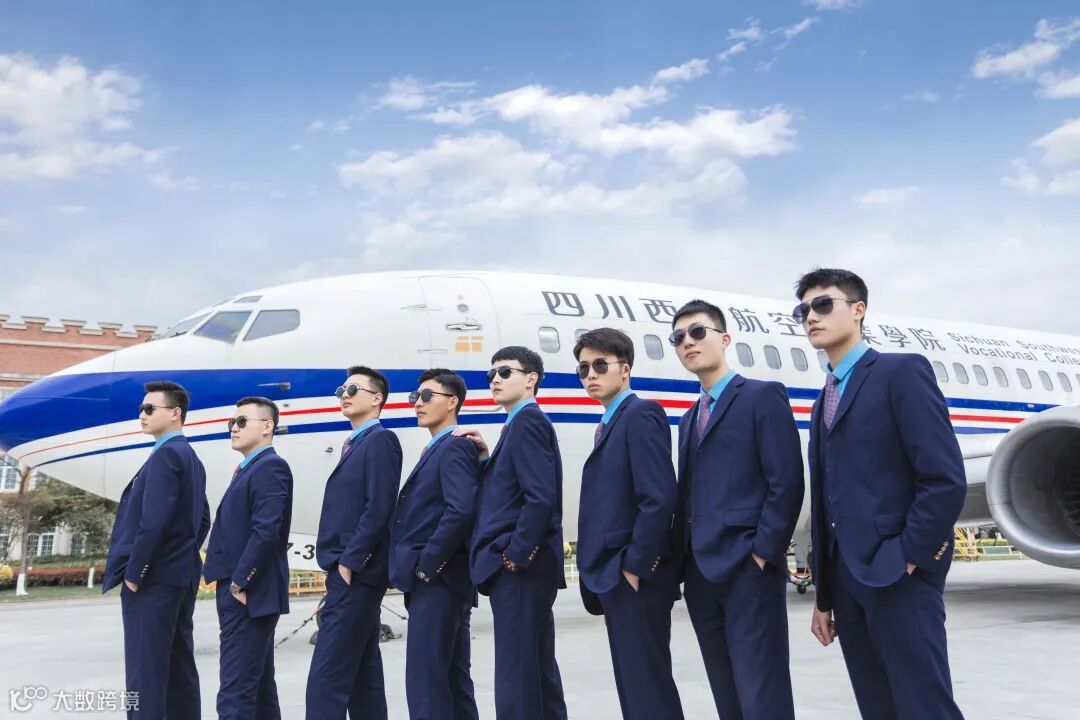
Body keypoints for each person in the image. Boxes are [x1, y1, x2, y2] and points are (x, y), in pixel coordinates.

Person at [796, 268, 966, 719]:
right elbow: (828, 499)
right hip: (846, 584)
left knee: (924, 706)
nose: (810, 316)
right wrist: (825, 595)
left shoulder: (900, 372)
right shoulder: (823, 399)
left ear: (859, 309)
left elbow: (944, 478)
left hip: (898, 576)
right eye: (803, 309)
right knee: (877, 707)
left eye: (822, 304)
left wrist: (909, 557)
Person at [670, 300, 804, 720]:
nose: (688, 342)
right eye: (678, 337)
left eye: (698, 332)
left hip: (749, 570)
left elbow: (786, 482)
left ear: (725, 339)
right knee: (726, 695)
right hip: (701, 575)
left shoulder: (762, 396)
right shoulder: (688, 419)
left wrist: (763, 553)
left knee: (762, 694)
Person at [573, 328, 684, 720]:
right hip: (616, 577)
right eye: (583, 368)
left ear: (625, 369)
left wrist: (635, 567)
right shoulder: (611, 421)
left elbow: (659, 498)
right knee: (635, 687)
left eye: (600, 365)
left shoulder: (640, 414)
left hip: (635, 579)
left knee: (647, 688)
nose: (590, 374)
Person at [457, 346, 567, 720]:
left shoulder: (527, 422)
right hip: (527, 571)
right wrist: (487, 458)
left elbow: (541, 497)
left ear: (531, 379)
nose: (495, 380)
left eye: (505, 372)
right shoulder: (518, 424)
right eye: (491, 375)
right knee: (537, 671)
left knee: (516, 677)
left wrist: (516, 554)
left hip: (520, 571)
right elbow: (513, 491)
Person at [102, 380, 210, 720]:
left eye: (150, 408)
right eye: (141, 408)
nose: (142, 414)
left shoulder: (165, 456)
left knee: (145, 670)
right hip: (179, 577)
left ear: (175, 413)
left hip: (153, 581)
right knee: (179, 668)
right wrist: (182, 556)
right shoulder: (191, 458)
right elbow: (203, 520)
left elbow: (153, 522)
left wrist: (136, 572)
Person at [306, 366, 403, 720]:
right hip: (352, 572)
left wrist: (350, 561)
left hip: (356, 573)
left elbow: (379, 506)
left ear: (377, 398)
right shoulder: (355, 444)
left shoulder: (380, 440)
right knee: (364, 677)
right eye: (341, 391)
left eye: (353, 390)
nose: (344, 396)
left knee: (326, 676)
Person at [390, 368, 480, 720]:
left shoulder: (453, 446)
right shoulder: (440, 447)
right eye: (415, 397)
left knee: (426, 682)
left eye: (427, 396)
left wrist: (427, 565)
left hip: (439, 580)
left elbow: (461, 510)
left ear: (453, 402)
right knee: (453, 681)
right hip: (445, 581)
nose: (418, 403)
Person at [203, 396, 293, 720]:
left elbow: (266, 530)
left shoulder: (270, 467)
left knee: (235, 693)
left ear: (267, 426)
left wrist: (241, 582)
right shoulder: (251, 468)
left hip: (248, 593)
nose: (234, 427)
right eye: (232, 422)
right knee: (259, 692)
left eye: (242, 421)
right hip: (243, 592)